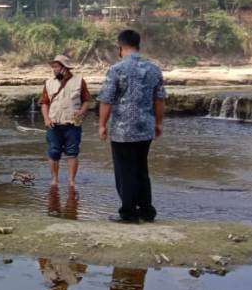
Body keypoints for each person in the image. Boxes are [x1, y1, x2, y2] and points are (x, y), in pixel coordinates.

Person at [98, 30, 165, 224]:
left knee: (124, 170)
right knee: (141, 169)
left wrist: (102, 125)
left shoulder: (117, 70)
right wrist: (159, 123)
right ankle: (146, 211)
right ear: (138, 45)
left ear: (120, 47)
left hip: (122, 129)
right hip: (145, 127)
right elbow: (159, 99)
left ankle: (128, 212)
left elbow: (106, 100)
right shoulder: (154, 69)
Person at [40, 54, 91, 188]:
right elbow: (44, 103)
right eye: (53, 67)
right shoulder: (49, 82)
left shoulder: (79, 81)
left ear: (65, 68)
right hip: (53, 124)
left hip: (73, 124)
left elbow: (86, 101)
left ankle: (71, 181)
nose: (54, 69)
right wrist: (46, 119)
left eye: (56, 67)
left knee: (72, 152)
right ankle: (54, 180)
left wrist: (81, 111)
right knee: (53, 152)